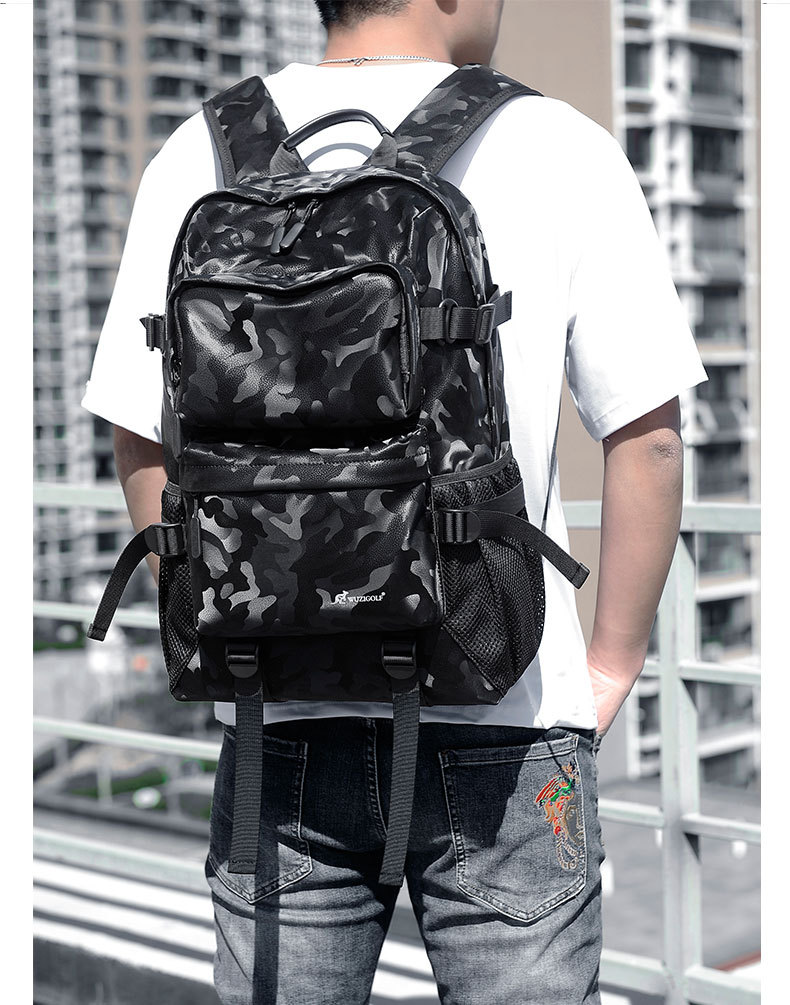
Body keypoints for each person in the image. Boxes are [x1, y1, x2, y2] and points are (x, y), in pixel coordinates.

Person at [81, 1, 709, 1001]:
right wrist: (610, 665)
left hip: (275, 717)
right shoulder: (557, 145)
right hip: (507, 710)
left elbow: (139, 436)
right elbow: (650, 439)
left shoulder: (196, 150)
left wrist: (243, 606)